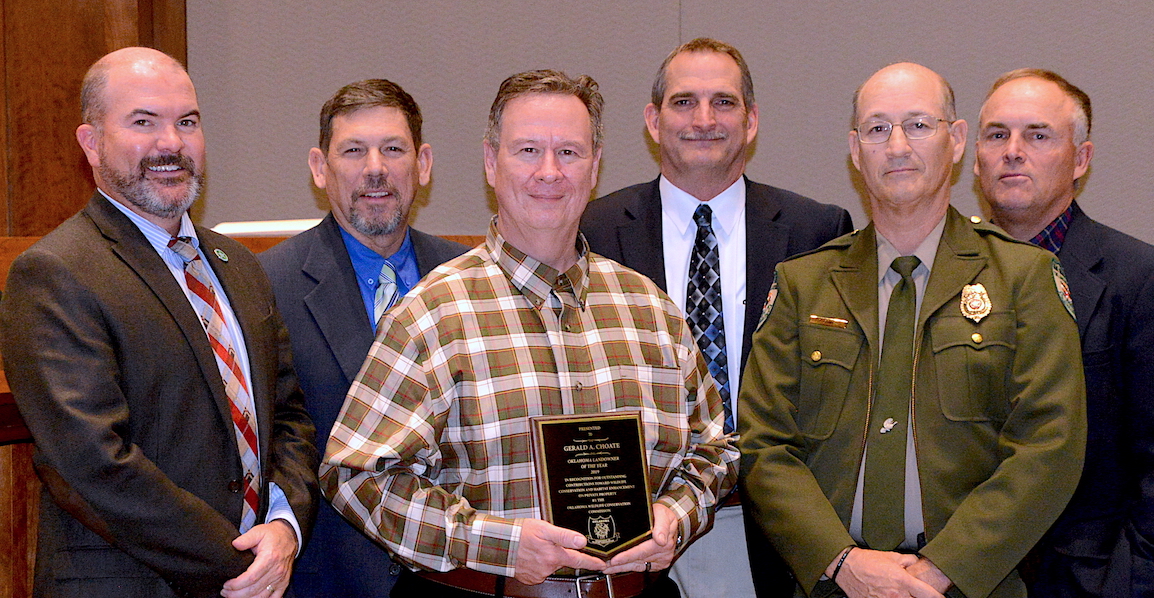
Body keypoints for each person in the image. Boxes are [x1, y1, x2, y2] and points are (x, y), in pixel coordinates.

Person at [320, 69, 738, 598]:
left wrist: (674, 516)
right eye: (527, 151)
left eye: (568, 153)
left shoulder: (650, 310)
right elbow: (356, 475)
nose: (549, 172)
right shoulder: (432, 313)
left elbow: (715, 450)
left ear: (594, 167)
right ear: (491, 164)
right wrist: (494, 543)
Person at [738, 62, 1087, 598]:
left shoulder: (1024, 278)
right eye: (878, 129)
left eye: (919, 125)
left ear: (957, 141)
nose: (897, 146)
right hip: (833, 584)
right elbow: (765, 445)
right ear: (856, 151)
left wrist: (943, 568)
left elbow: (1049, 445)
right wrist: (842, 562)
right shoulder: (802, 284)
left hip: (970, 585)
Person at [0, 47, 317, 598]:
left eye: (187, 122)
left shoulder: (237, 266)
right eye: (143, 122)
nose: (171, 142)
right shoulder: (54, 274)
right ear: (91, 143)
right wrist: (240, 563)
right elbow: (94, 465)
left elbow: (287, 416)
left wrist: (285, 530)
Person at [580, 38, 852, 597]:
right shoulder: (594, 229)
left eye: (723, 103)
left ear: (750, 121)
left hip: (768, 520)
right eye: (684, 102)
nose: (703, 119)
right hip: (631, 520)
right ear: (653, 121)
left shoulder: (815, 232)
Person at [260, 79, 467, 597]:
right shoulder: (264, 285)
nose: (375, 167)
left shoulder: (470, 279)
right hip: (327, 579)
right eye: (353, 150)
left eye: (393, 149)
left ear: (422, 164)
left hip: (457, 578)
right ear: (318, 167)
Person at [974, 68, 1154, 597]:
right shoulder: (939, 272)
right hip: (955, 576)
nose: (1013, 151)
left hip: (1082, 579)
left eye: (1038, 135)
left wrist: (1126, 582)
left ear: (1080, 159)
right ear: (975, 156)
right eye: (997, 134)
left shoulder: (1136, 278)